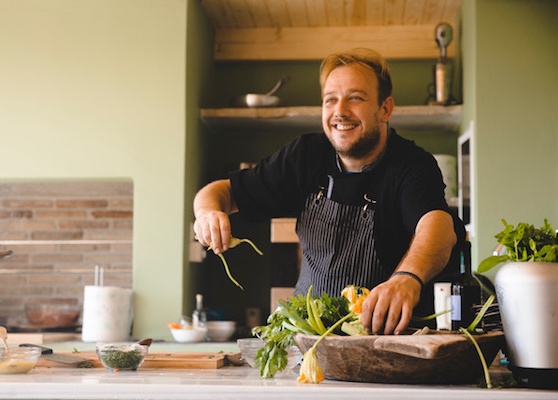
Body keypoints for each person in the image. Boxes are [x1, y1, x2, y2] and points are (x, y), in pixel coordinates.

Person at [193, 48, 464, 336]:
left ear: (385, 109)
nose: (340, 112)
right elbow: (220, 191)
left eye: (355, 98)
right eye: (330, 100)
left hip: (385, 342)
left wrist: (407, 278)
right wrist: (207, 212)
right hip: (307, 342)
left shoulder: (412, 164)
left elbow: (437, 226)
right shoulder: (305, 155)